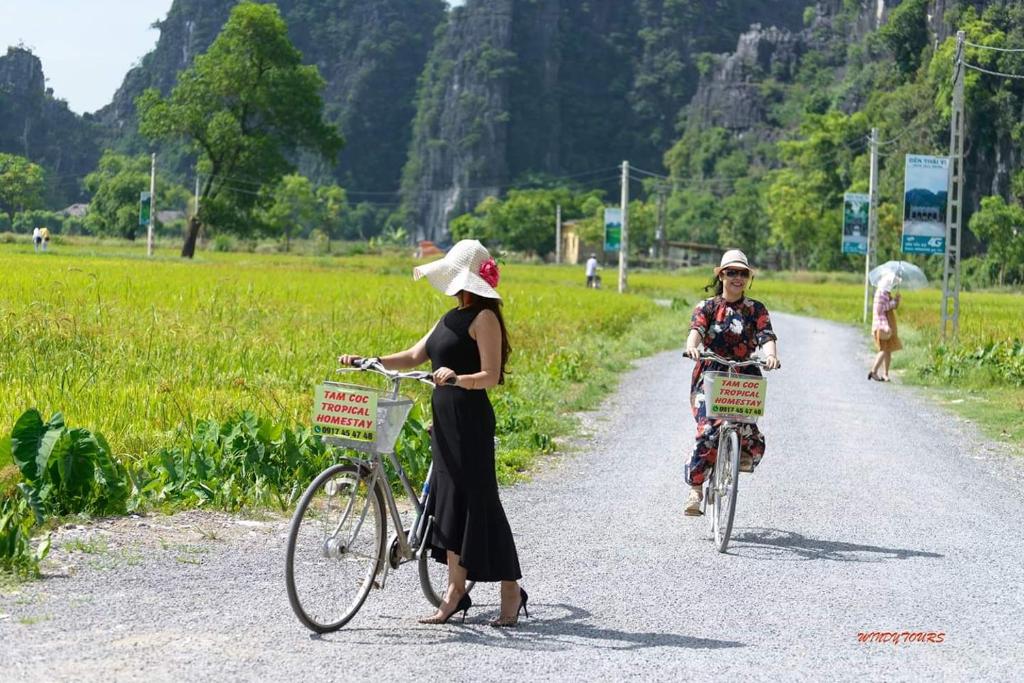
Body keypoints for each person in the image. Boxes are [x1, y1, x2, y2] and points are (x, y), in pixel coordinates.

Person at [338, 239, 527, 627]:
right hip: (443, 420)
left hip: (470, 422)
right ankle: (455, 592)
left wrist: (457, 377)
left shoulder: (484, 319)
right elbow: (412, 356)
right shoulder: (449, 317)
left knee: (480, 504)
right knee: (449, 505)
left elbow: (491, 376)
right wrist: (367, 360)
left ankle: (511, 589)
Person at [682, 249, 780, 516]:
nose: (737, 278)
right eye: (731, 272)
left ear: (748, 278)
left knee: (748, 429)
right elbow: (696, 331)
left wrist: (770, 355)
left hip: (744, 373)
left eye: (742, 273)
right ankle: (696, 489)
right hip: (711, 372)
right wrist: (692, 348)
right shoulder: (707, 307)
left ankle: (738, 456)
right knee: (708, 430)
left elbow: (766, 335)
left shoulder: (755, 309)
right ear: (721, 275)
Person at [868, 273, 902, 382]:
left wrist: (896, 301)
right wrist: (892, 303)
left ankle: (885, 374)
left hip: (888, 324)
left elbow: (892, 307)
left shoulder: (886, 293)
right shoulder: (881, 293)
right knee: (884, 349)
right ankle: (874, 371)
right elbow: (880, 310)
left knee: (888, 350)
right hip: (882, 325)